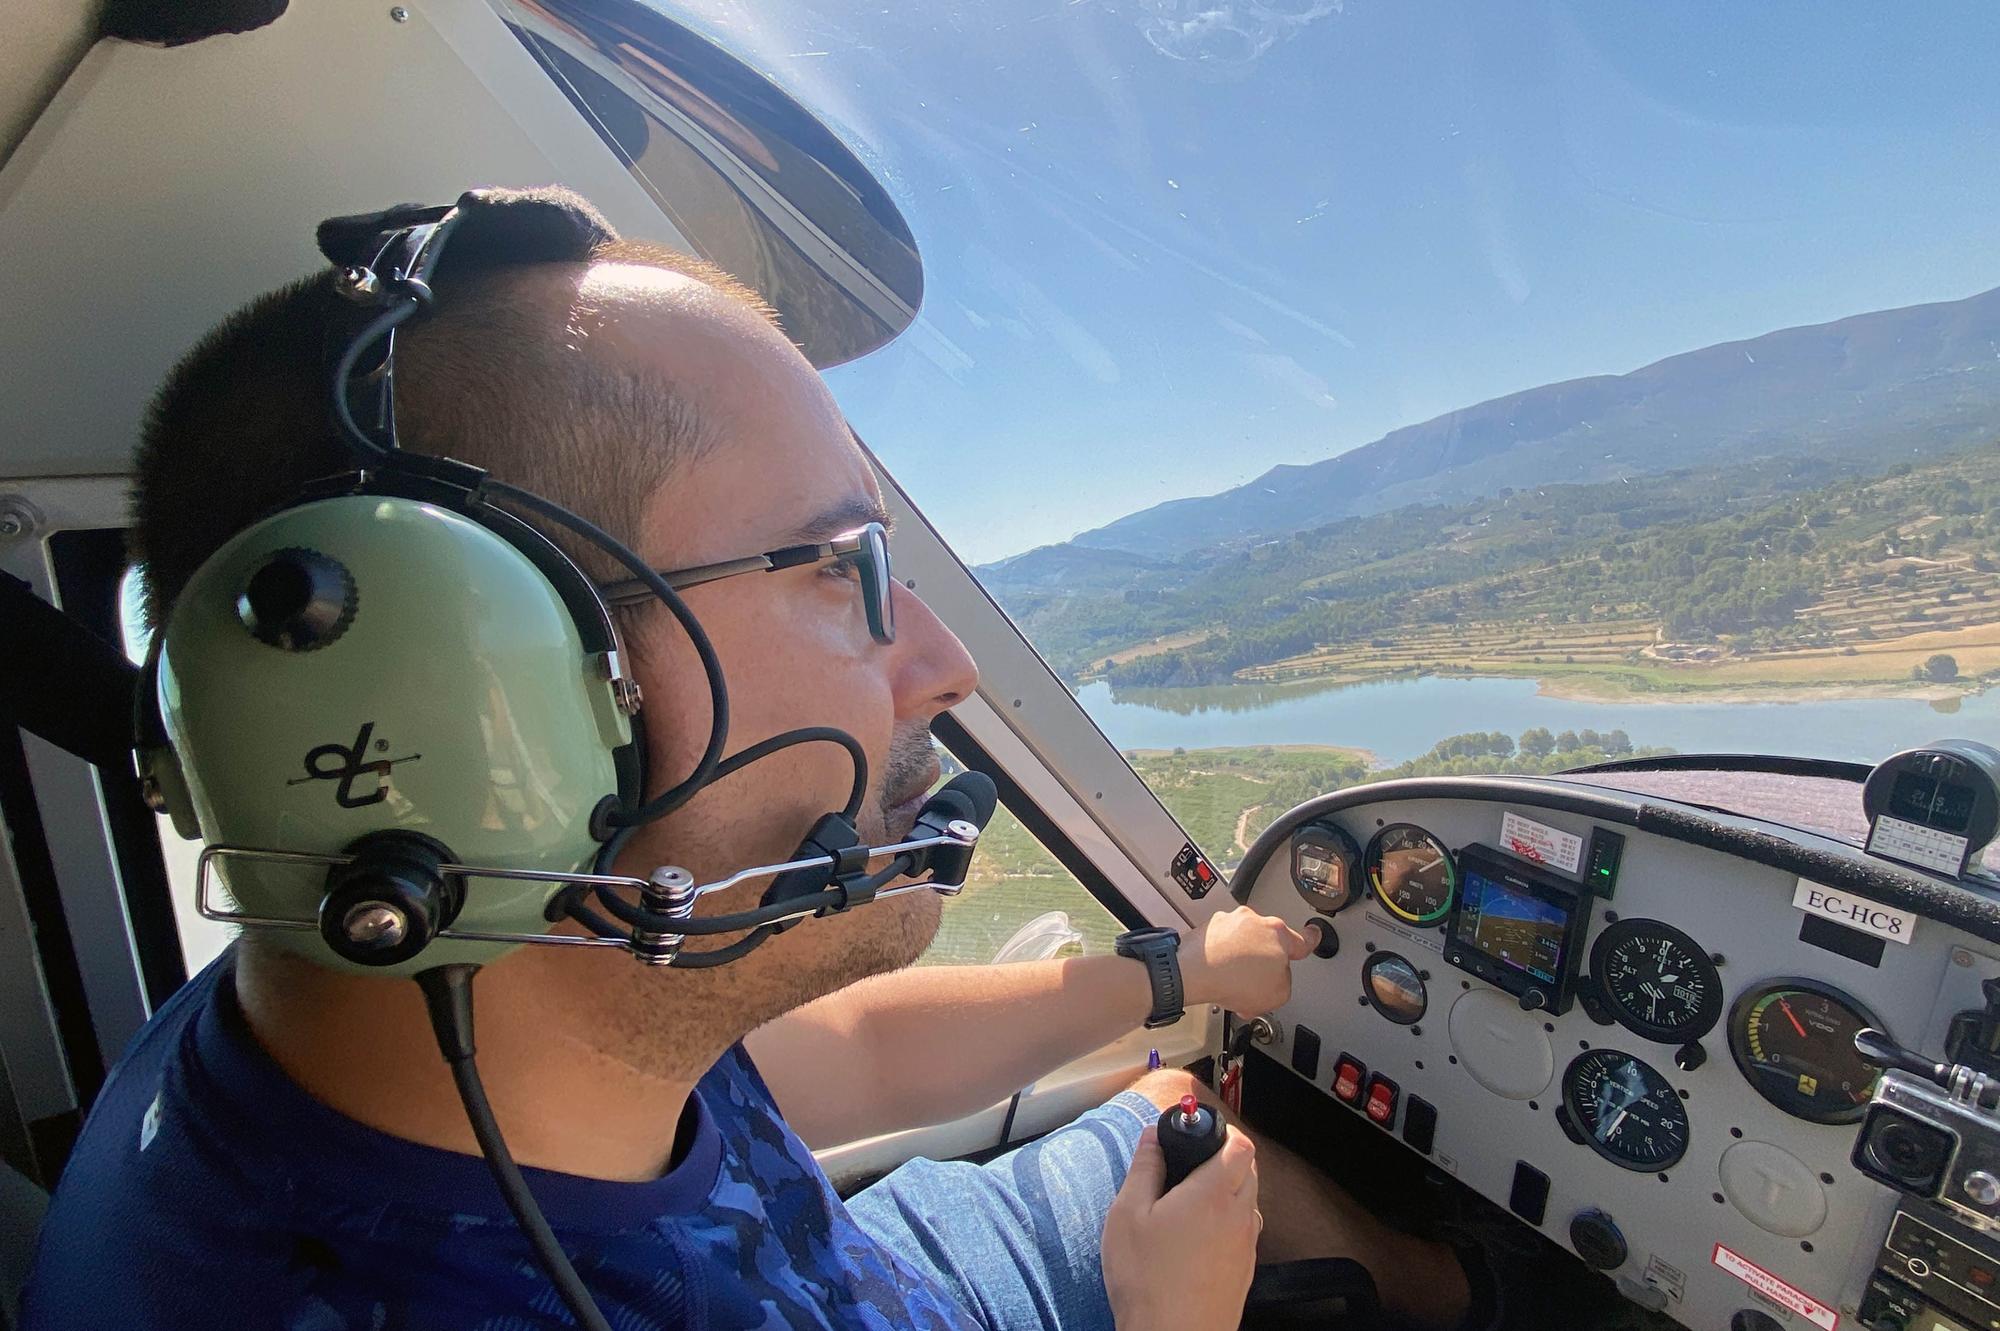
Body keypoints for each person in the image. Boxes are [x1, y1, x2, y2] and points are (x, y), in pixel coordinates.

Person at [23, 188, 1476, 1330]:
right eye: (840, 571)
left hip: (847, 1272)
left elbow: (814, 1059)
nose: (943, 665)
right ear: (493, 701)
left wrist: (1183, 974)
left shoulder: (487, 972)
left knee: (1177, 1116)